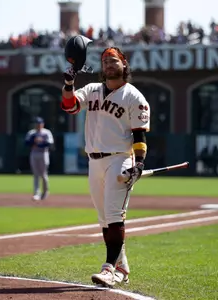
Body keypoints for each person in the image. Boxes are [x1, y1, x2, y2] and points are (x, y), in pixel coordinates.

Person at [60, 46, 151, 288]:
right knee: (104, 219)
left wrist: (139, 163)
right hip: (95, 160)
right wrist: (69, 84)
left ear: (124, 65)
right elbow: (70, 106)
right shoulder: (91, 90)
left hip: (120, 158)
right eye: (105, 62)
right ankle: (121, 266)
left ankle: (109, 268)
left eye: (113, 61)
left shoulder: (134, 97)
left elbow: (139, 136)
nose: (109, 65)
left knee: (113, 215)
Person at [24, 117, 54, 201]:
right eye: (37, 123)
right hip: (34, 153)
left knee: (44, 174)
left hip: (43, 153)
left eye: (40, 123)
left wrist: (40, 143)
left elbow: (50, 144)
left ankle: (45, 192)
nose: (38, 125)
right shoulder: (32, 133)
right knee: (36, 174)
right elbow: (26, 143)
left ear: (43, 124)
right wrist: (34, 142)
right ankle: (36, 193)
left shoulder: (46, 132)